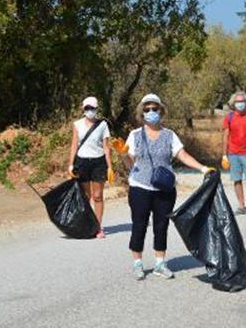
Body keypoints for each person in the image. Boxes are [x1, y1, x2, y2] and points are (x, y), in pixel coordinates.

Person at [119, 94, 214, 280]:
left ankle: (159, 264)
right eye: (147, 109)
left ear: (161, 111)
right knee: (139, 225)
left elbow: (183, 155)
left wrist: (203, 168)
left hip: (165, 189)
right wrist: (123, 154)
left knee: (161, 226)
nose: (151, 112)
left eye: (155, 108)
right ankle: (137, 264)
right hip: (140, 187)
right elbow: (130, 165)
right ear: (141, 113)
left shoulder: (169, 135)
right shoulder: (134, 135)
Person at [68, 97, 114, 239]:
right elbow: (74, 144)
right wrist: (70, 164)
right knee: (86, 196)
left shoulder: (103, 125)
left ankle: (98, 227)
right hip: (82, 162)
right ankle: (86, 225)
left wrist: (110, 167)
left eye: (92, 108)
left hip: (98, 162)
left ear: (97, 109)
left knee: (98, 196)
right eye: (87, 108)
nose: (90, 111)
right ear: (83, 109)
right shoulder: (77, 124)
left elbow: (106, 147)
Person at [222, 91, 246, 215]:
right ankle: (241, 206)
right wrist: (224, 155)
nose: (240, 104)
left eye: (242, 101)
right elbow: (225, 136)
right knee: (237, 180)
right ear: (233, 103)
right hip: (233, 154)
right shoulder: (229, 117)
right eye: (238, 102)